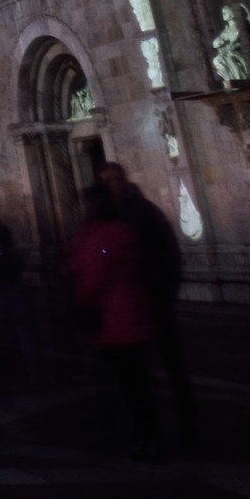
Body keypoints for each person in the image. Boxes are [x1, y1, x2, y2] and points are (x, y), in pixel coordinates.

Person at [97, 160, 196, 453]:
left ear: (123, 180)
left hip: (153, 300)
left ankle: (187, 427)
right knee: (137, 373)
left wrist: (166, 294)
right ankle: (147, 430)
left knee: (170, 366)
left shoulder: (144, 212)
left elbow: (169, 253)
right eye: (104, 182)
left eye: (112, 180)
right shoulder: (109, 216)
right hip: (129, 306)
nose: (109, 187)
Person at [70, 184, 161, 460]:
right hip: (136, 314)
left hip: (111, 320)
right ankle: (148, 436)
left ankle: (129, 437)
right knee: (139, 384)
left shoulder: (95, 235)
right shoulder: (126, 230)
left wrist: (80, 301)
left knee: (118, 384)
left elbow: (91, 276)